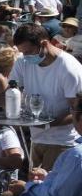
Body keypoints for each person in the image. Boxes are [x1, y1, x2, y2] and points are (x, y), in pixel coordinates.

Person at [9, 23, 82, 170]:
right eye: (22, 53)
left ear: (44, 43)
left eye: (28, 52)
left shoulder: (68, 68)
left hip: (63, 142)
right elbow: (10, 92)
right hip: (36, 139)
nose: (25, 56)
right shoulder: (23, 62)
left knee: (47, 189)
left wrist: (47, 124)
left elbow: (77, 112)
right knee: (34, 186)